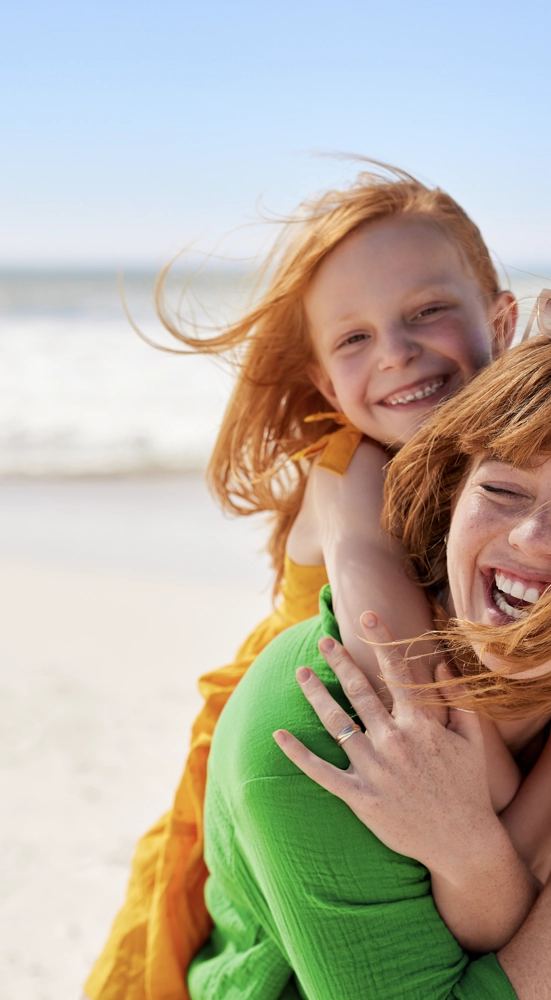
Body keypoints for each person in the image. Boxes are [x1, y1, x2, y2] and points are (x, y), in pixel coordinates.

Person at [84, 165, 520, 1000]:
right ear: (325, 382)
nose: (396, 351)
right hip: (319, 748)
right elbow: (402, 678)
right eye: (353, 338)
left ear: (499, 319)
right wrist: (515, 818)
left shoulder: (513, 467)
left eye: (428, 310)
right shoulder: (348, 472)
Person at [187, 329, 551, 999]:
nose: (533, 538)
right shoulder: (316, 724)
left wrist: (473, 853)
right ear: (451, 499)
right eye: (502, 490)